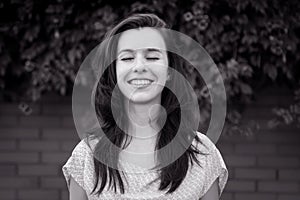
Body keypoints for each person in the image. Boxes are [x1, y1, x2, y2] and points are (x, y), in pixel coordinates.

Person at [62, 13, 228, 200]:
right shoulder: (87, 155)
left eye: (151, 57)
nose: (139, 66)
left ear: (169, 71)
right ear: (114, 72)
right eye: (127, 58)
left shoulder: (202, 153)